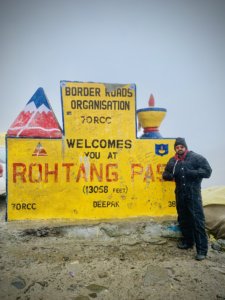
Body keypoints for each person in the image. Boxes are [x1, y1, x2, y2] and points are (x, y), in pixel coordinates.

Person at [163, 137, 212, 261]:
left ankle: (202, 250)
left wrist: (194, 173)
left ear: (185, 147)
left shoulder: (196, 157)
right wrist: (171, 176)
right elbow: (165, 174)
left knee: (197, 220)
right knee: (183, 218)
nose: (179, 149)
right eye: (177, 147)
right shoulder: (173, 161)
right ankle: (188, 242)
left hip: (193, 193)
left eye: (181, 147)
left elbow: (208, 172)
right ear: (175, 149)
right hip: (180, 193)